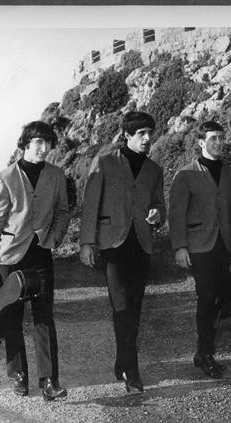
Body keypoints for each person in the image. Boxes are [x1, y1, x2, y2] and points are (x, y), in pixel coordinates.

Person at [0, 120, 70, 400]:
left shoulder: (56, 175)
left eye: (48, 143)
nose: (44, 149)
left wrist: (54, 238)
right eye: (38, 143)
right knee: (12, 317)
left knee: (44, 316)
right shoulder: (4, 178)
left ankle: (49, 381)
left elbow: (63, 212)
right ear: (25, 144)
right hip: (9, 257)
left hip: (41, 254)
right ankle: (19, 374)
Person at [79, 111, 165, 394]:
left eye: (150, 133)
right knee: (121, 306)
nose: (147, 138)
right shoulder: (105, 162)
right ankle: (132, 369)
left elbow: (159, 205)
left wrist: (158, 214)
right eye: (141, 134)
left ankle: (123, 360)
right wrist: (87, 243)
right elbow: (90, 205)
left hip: (141, 245)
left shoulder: (154, 170)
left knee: (135, 307)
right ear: (127, 135)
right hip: (112, 245)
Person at [169, 121, 231, 379]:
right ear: (201, 142)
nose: (218, 142)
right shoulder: (185, 174)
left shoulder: (230, 174)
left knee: (223, 298)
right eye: (213, 138)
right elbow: (176, 214)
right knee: (207, 297)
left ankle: (203, 352)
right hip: (199, 246)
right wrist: (180, 247)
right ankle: (206, 353)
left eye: (221, 138)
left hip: (224, 245)